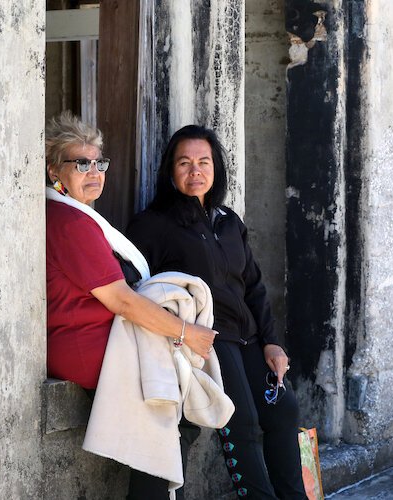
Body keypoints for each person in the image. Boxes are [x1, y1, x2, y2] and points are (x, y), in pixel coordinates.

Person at [127, 125, 306, 499]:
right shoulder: (153, 225)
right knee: (242, 421)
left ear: (216, 168)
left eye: (204, 162)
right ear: (170, 170)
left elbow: (253, 286)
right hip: (206, 340)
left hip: (248, 338)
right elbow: (136, 288)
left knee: (284, 410)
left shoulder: (229, 222)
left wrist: (272, 343)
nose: (195, 170)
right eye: (185, 162)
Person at [45, 112, 217, 499]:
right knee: (164, 426)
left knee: (177, 418)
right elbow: (122, 300)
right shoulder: (70, 223)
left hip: (105, 342)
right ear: (56, 170)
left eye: (98, 162)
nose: (94, 172)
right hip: (91, 348)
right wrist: (187, 333)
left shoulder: (76, 216)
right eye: (80, 163)